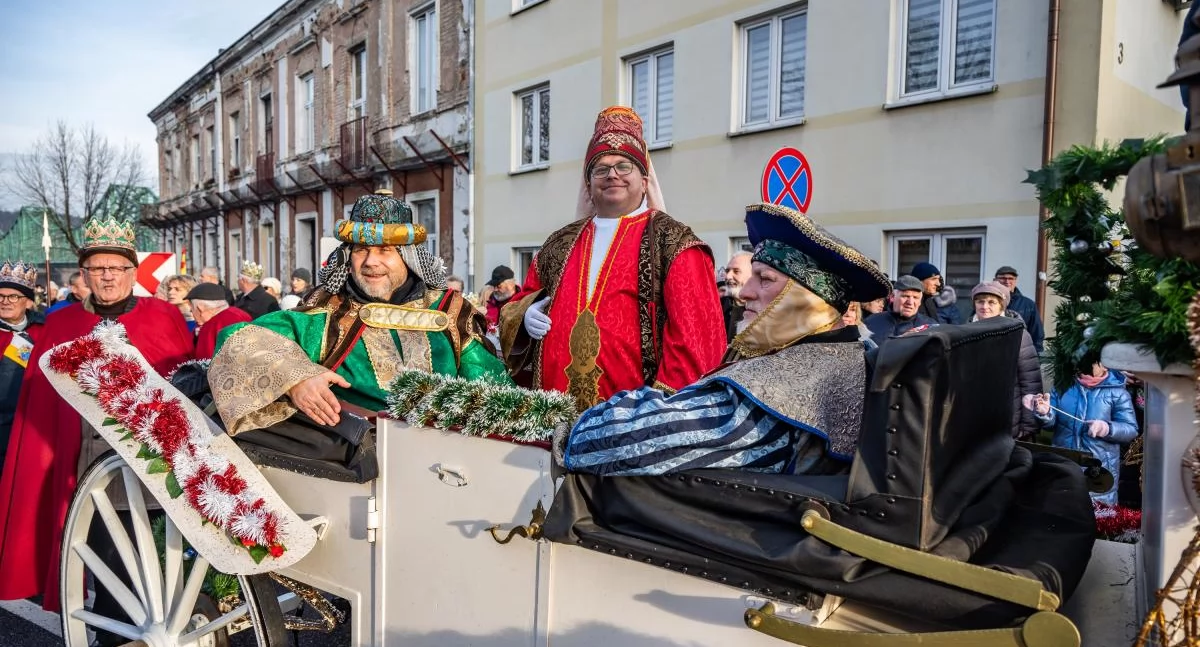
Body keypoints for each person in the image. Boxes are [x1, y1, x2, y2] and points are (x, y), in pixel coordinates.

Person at [561, 203, 891, 476]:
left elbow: (612, 443)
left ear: (808, 299)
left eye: (764, 279)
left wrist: (568, 426)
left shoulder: (786, 386)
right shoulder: (847, 354)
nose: (745, 293)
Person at [0, 216, 193, 613]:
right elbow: (40, 404)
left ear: (133, 272)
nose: (108, 276)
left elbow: (187, 385)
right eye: (98, 268)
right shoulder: (60, 324)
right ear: (84, 274)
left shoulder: (165, 316)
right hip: (90, 467)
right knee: (107, 564)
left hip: (156, 467)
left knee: (160, 562)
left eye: (117, 267)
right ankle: (112, 634)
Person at [209, 190, 510, 435]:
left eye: (385, 250)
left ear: (408, 257)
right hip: (353, 467)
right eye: (361, 250)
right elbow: (237, 338)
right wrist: (295, 379)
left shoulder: (451, 312)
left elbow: (494, 393)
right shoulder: (324, 314)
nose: (370, 262)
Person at [500, 106, 725, 412]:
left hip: (631, 425)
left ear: (644, 180)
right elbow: (521, 300)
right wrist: (524, 316)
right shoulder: (559, 244)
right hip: (553, 416)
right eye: (601, 169)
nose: (612, 175)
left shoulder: (673, 243)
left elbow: (693, 343)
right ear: (588, 183)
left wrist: (656, 417)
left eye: (623, 166)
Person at [1028, 362, 1138, 506]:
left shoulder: (1118, 393)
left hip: (1099, 473)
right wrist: (1045, 413)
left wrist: (1107, 428)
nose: (1083, 363)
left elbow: (1131, 430)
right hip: (1064, 467)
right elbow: (1050, 425)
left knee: (1098, 515)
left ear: (1105, 365)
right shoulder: (1063, 386)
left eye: (1091, 360)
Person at [971, 281, 1041, 439]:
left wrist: (1029, 424)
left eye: (991, 302)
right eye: (980, 301)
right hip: (973, 418)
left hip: (1008, 417)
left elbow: (1030, 381)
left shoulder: (1018, 334)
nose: (985, 306)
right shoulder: (964, 332)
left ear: (1001, 305)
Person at [0, 261, 44, 468]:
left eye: (13, 296)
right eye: (0, 296)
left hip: (33, 423)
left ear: (28, 302)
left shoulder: (44, 330)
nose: (5, 302)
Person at [186, 283, 252, 360]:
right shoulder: (241, 313)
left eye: (192, 309)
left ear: (200, 308)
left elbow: (204, 360)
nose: (191, 312)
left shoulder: (210, 327)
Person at [864, 275, 937, 342]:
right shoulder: (871, 322)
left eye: (915, 297)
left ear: (920, 302)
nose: (910, 302)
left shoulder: (930, 327)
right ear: (892, 297)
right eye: (905, 296)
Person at [993, 266, 1044, 353]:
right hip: (991, 352)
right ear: (995, 280)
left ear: (1015, 281)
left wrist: (1035, 354)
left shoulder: (1028, 304)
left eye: (1011, 278)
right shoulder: (986, 303)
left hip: (1019, 354)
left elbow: (1037, 333)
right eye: (1002, 278)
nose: (1007, 281)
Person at [721, 251, 751, 342]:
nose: (728, 276)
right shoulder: (717, 304)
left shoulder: (765, 308)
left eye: (736, 271)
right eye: (727, 271)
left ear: (752, 275)